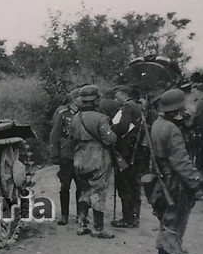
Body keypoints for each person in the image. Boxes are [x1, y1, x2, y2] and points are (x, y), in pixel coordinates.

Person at [148, 88, 203, 254]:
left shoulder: (158, 123)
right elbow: (181, 161)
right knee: (175, 225)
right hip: (175, 181)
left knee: (166, 223)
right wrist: (196, 182)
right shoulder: (172, 129)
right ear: (179, 108)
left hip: (162, 178)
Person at [70, 84, 117, 238]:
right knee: (98, 191)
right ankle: (98, 228)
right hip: (98, 157)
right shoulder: (101, 118)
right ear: (95, 99)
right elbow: (109, 139)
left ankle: (82, 225)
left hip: (79, 157)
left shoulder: (75, 118)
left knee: (84, 191)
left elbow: (71, 137)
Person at [110, 85, 147, 228]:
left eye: (117, 96)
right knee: (134, 185)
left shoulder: (127, 107)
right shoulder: (138, 107)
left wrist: (111, 127)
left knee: (124, 185)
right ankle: (134, 217)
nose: (115, 99)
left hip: (126, 153)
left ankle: (128, 218)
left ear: (124, 94)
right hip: (136, 153)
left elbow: (122, 128)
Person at [48, 88, 82, 225]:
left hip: (80, 154)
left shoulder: (84, 113)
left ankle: (81, 215)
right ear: (74, 99)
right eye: (80, 98)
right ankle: (64, 215)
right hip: (66, 155)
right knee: (65, 186)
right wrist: (55, 154)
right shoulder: (62, 113)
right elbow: (55, 134)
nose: (82, 100)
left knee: (81, 186)